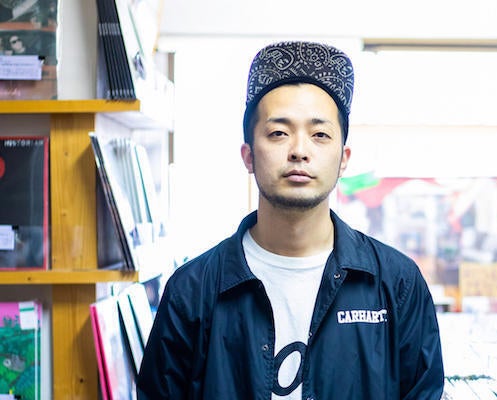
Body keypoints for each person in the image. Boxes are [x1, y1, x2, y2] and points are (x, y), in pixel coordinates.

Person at [137, 40, 444, 399]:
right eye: (279, 133)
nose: (299, 150)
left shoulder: (397, 283)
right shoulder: (192, 290)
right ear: (248, 156)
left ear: (343, 158)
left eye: (320, 135)